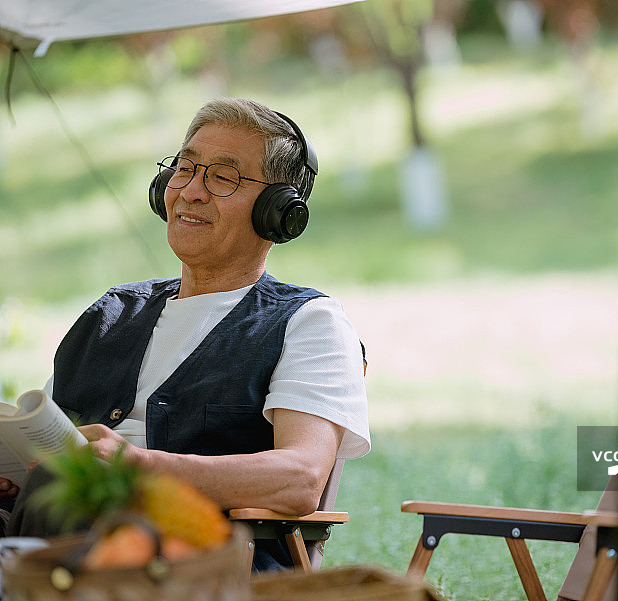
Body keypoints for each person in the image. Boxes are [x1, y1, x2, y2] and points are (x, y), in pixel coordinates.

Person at [0, 97, 370, 571]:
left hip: (191, 563)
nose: (192, 191)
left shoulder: (309, 323)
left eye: (222, 177)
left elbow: (299, 478)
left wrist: (142, 466)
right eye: (185, 169)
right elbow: (48, 444)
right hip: (54, 541)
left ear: (277, 211)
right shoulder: (110, 313)